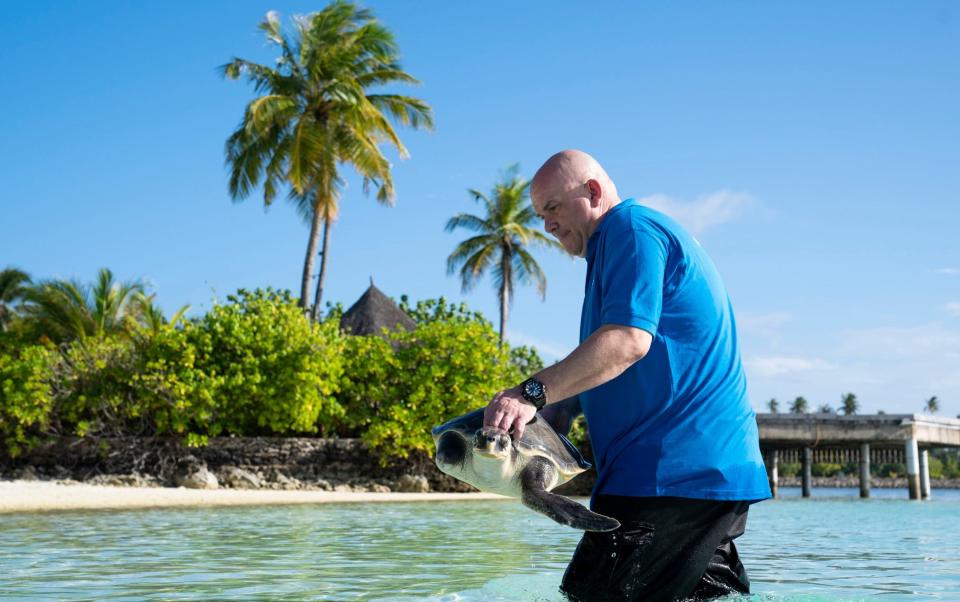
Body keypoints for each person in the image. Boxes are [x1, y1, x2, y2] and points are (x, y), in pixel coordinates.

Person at [483, 150, 770, 601]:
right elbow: (614, 361)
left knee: (595, 596)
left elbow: (628, 343)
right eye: (540, 215)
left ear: (593, 192)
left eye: (553, 208)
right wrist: (559, 409)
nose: (547, 226)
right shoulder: (611, 248)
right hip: (673, 473)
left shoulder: (630, 229)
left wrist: (531, 393)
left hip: (675, 472)